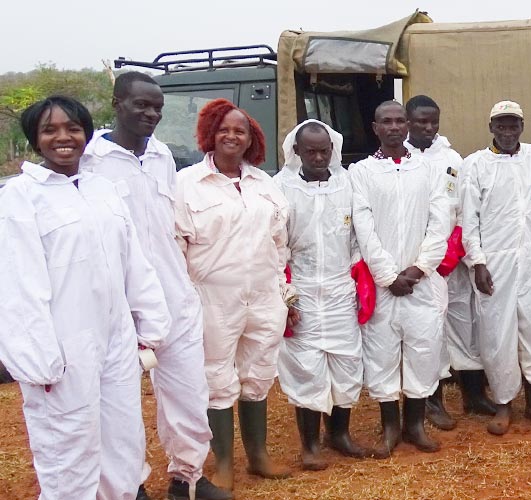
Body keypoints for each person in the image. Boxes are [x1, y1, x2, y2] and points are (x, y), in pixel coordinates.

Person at [0, 96, 171, 500]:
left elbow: (134, 262)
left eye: (73, 128)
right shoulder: (20, 198)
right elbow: (17, 285)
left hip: (114, 340)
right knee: (68, 455)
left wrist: (150, 322)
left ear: (86, 135)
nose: (63, 137)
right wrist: (37, 359)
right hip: (61, 350)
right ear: (35, 140)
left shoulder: (103, 190)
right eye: (50, 130)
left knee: (122, 442)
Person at [80, 71, 232, 500]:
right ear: (117, 102)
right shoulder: (91, 161)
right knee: (121, 405)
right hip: (120, 301)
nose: (150, 114)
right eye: (140, 105)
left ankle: (187, 478)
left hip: (173, 293)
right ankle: (129, 486)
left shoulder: (162, 155)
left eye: (157, 108)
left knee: (188, 392)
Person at [174, 98, 291, 489]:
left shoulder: (265, 184)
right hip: (211, 300)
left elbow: (279, 243)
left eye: (239, 130)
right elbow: (176, 246)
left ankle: (258, 456)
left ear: (250, 138)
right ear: (210, 133)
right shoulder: (186, 184)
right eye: (224, 128)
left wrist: (282, 294)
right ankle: (223, 462)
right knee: (218, 378)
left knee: (258, 374)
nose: (231, 135)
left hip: (262, 297)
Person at [351, 100, 453, 454]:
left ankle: (415, 425)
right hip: (383, 286)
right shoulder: (361, 172)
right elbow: (362, 226)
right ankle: (390, 427)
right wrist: (386, 275)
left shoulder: (427, 169)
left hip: (420, 283)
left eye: (399, 121)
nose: (394, 127)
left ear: (407, 125)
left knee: (422, 351)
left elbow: (441, 223)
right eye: (386, 122)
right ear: (375, 127)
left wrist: (418, 269)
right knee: (382, 353)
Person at [460, 101, 531, 436]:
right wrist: (477, 263)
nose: (508, 133)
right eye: (501, 126)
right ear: (491, 127)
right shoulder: (475, 165)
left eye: (514, 126)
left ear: (522, 126)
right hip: (495, 263)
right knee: (497, 333)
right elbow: (468, 219)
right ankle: (504, 404)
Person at [274, 119, 376, 470]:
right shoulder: (281, 188)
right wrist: (286, 296)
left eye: (324, 150)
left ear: (333, 150)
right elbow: (276, 247)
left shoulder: (347, 185)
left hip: (339, 291)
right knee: (306, 368)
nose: (318, 157)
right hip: (301, 292)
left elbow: (357, 241)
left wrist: (361, 283)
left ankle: (340, 435)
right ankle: (310, 445)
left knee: (347, 363)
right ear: (296, 151)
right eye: (310, 151)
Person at [404, 94, 499, 430]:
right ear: (408, 121)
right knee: (428, 332)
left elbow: (463, 207)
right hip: (418, 262)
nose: (428, 128)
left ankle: (474, 395)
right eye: (421, 121)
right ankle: (433, 401)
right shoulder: (402, 159)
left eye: (434, 121)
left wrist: (457, 250)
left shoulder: (452, 158)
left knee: (466, 324)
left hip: (452, 259)